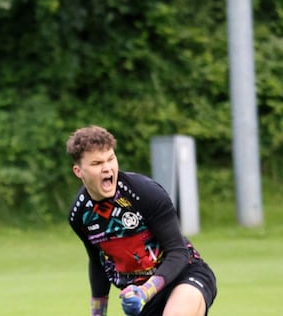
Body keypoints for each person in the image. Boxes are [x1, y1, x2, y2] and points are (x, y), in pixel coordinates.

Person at [66, 126, 216, 316]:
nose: (107, 168)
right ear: (78, 171)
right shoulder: (79, 214)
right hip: (142, 297)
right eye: (96, 163)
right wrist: (97, 313)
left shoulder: (144, 193)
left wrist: (145, 292)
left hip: (184, 275)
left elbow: (178, 252)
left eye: (111, 159)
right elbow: (98, 263)